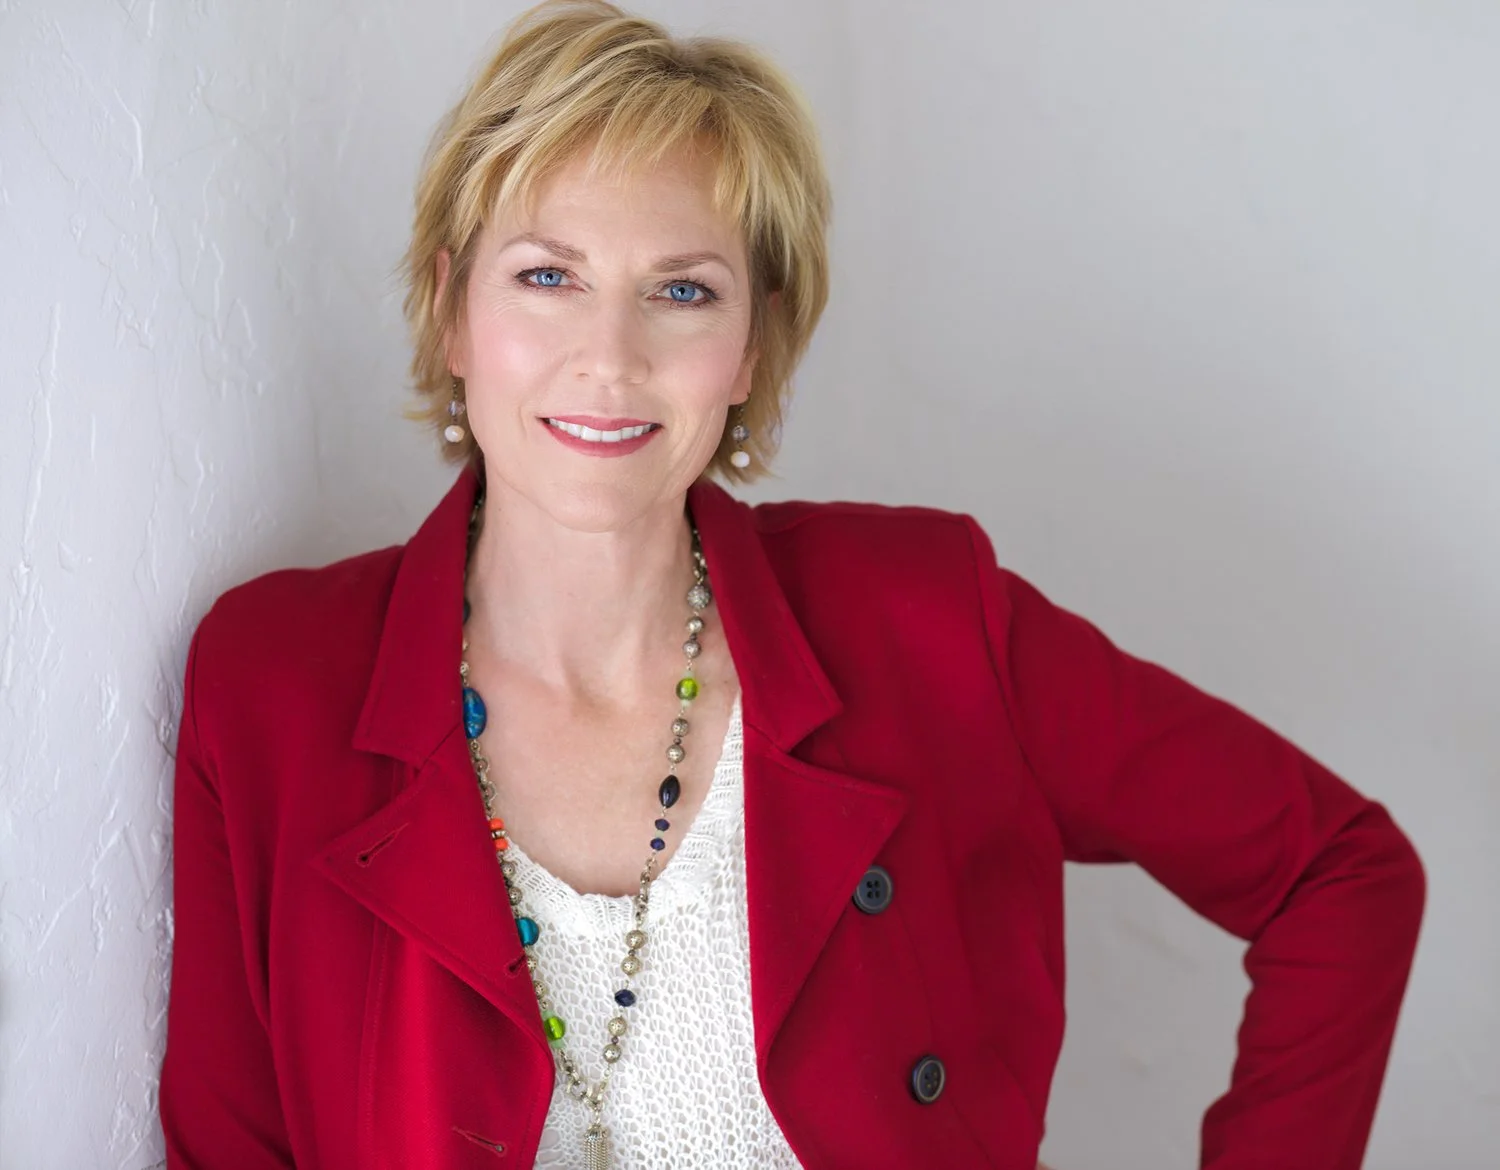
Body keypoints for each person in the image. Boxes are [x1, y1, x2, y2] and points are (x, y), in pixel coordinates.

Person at [157, 2, 1425, 1167]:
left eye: (682, 292)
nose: (609, 356)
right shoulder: (270, 687)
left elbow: (1340, 872)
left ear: (753, 346)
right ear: (450, 309)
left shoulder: (932, 620)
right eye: (547, 275)